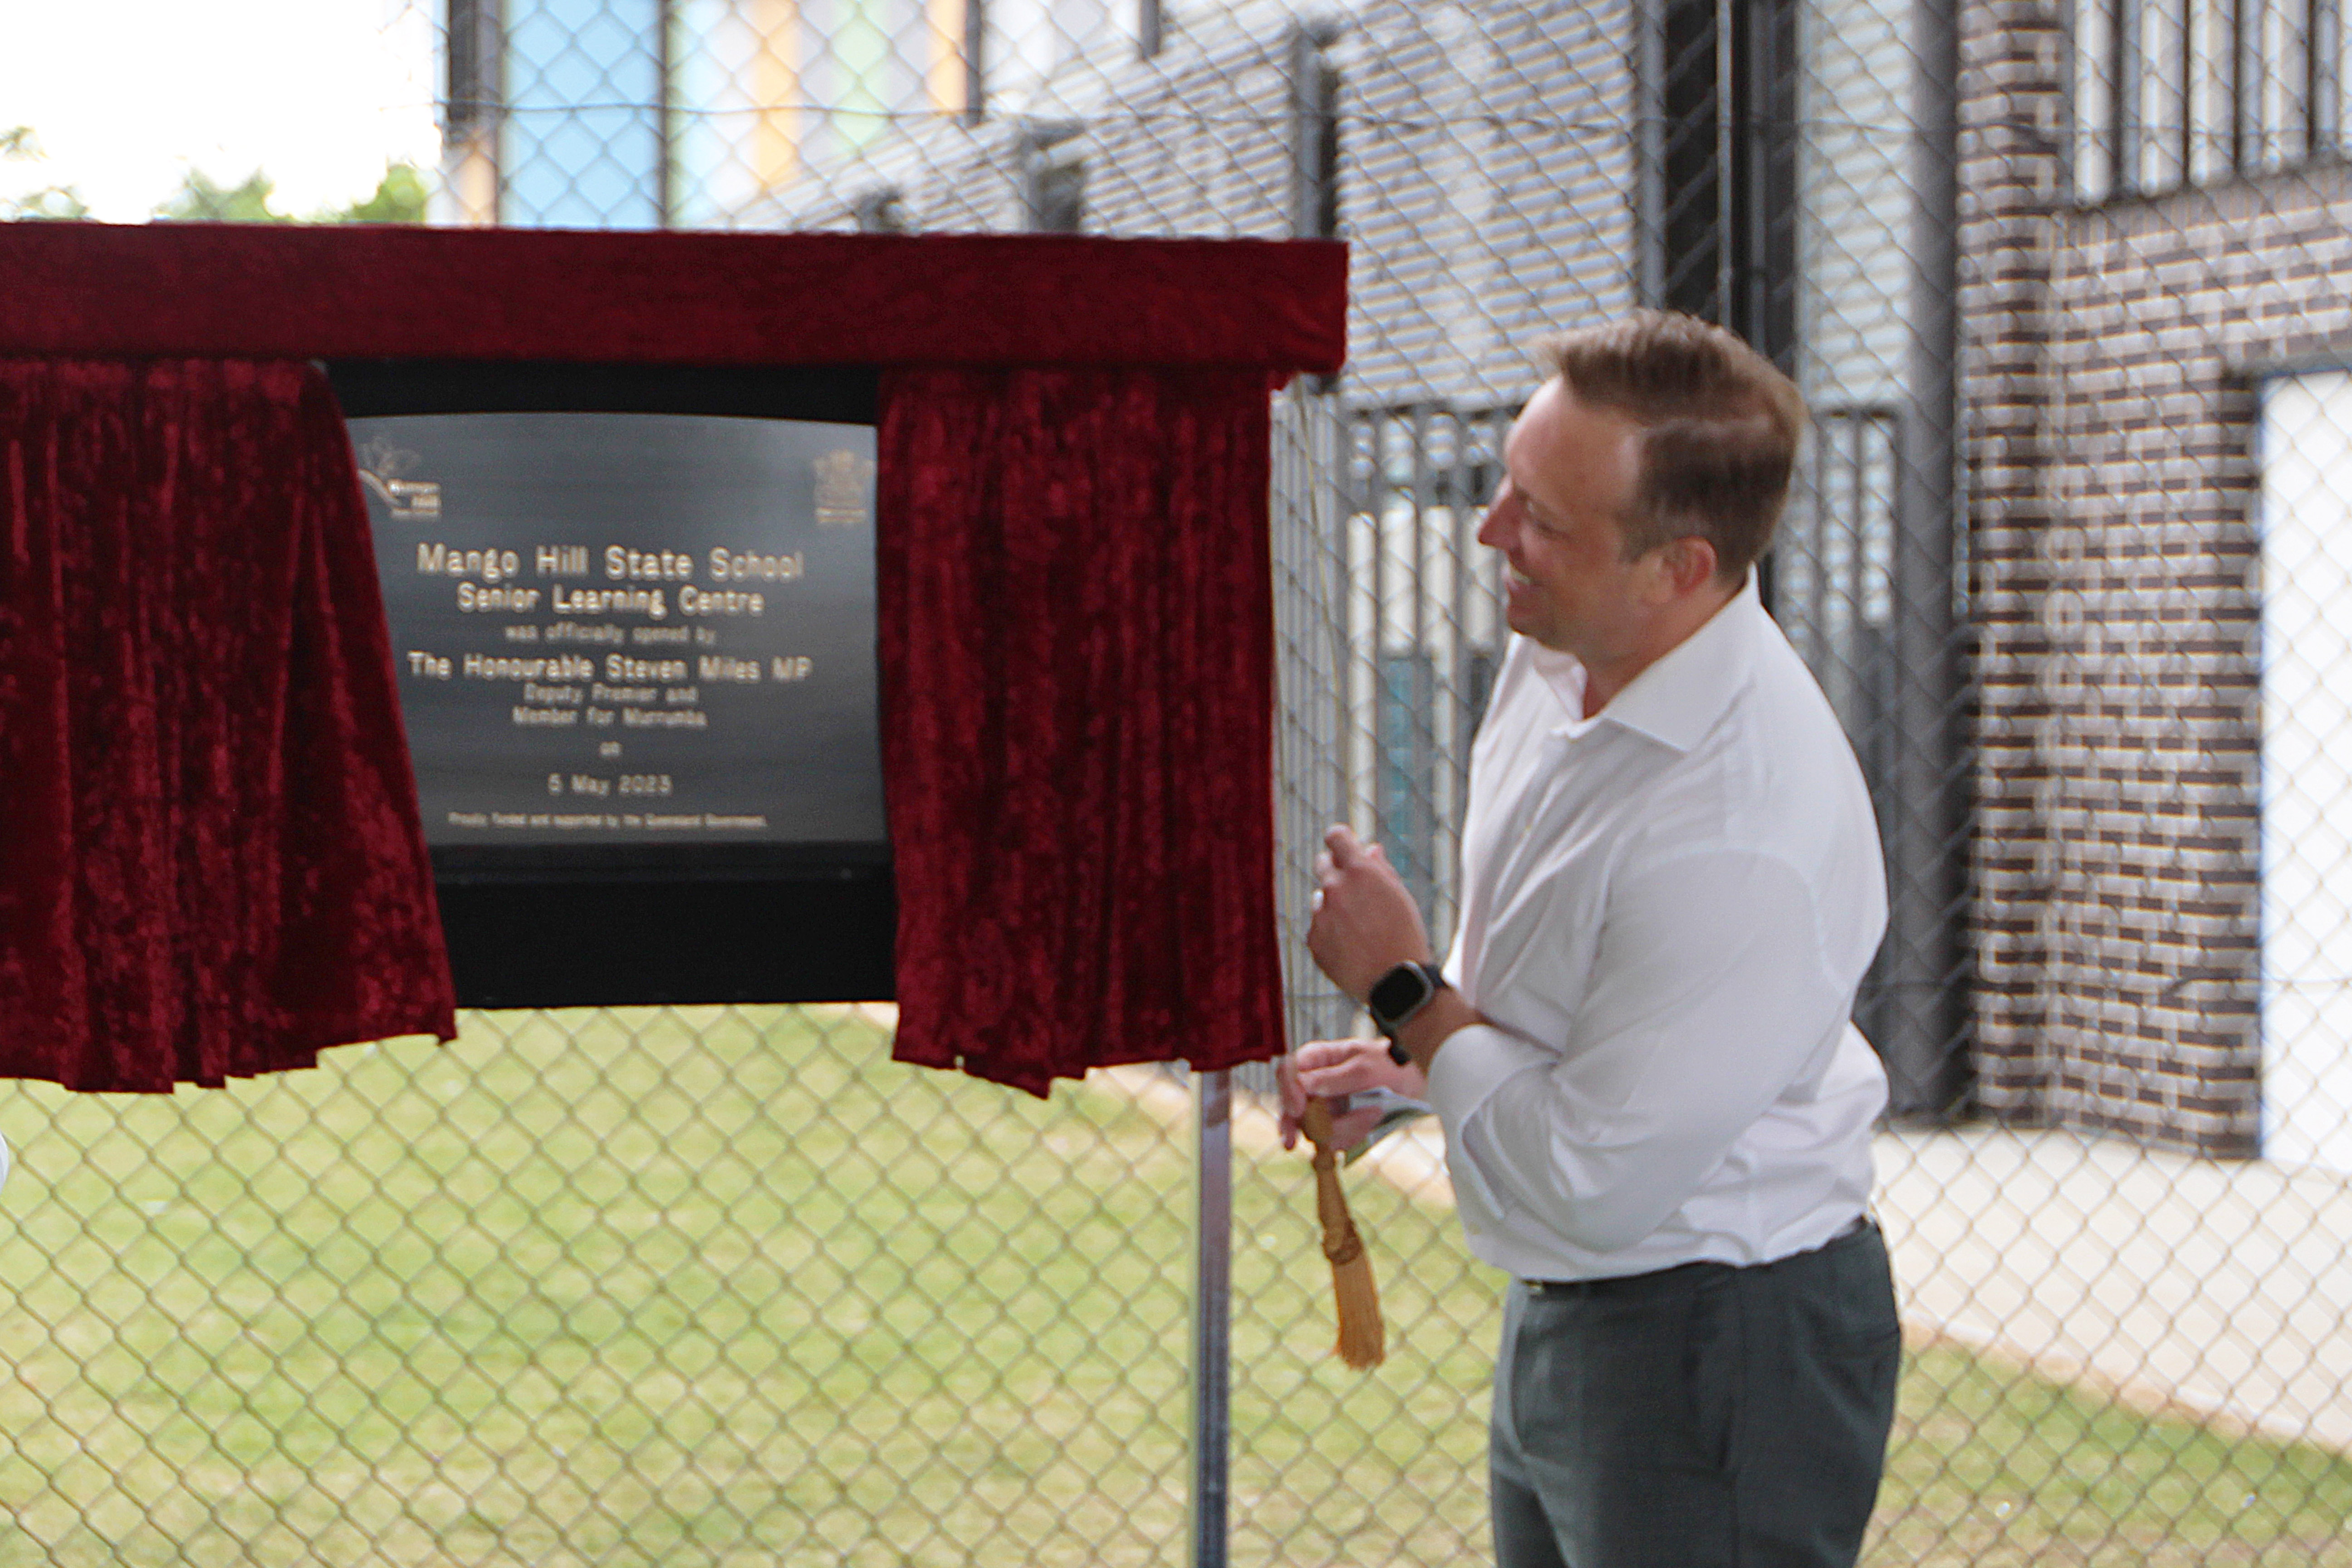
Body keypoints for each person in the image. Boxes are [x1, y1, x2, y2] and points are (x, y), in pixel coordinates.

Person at [1280, 310, 1901, 1568]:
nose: (1492, 532)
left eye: (1543, 519)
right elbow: (1581, 1012)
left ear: (1679, 566)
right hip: (1594, 1309)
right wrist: (1425, 1073)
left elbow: (1587, 1178)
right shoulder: (1567, 649)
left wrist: (1405, 988)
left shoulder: (1744, 829)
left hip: (1714, 1344)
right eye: (1509, 486)